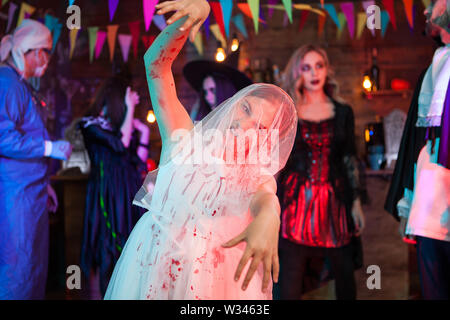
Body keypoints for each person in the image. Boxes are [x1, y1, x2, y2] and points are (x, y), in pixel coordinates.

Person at [105, 0, 297, 300]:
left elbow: (265, 197)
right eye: (245, 108)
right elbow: (156, 65)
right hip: (157, 273)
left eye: (260, 128)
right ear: (233, 103)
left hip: (218, 283)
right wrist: (190, 20)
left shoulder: (253, 174)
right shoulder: (184, 137)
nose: (244, 125)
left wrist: (270, 216)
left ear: (265, 141)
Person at [276, 45, 365, 300]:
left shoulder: (343, 111)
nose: (314, 73)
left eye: (319, 65)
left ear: (327, 70)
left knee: (345, 279)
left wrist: (356, 202)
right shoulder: (287, 110)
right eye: (306, 67)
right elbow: (277, 159)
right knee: (289, 282)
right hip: (295, 204)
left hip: (334, 202)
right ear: (297, 73)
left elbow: (348, 157)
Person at [0, 19, 72, 299]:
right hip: (16, 197)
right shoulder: (6, 83)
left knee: (32, 268)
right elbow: (3, 137)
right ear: (31, 52)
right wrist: (47, 148)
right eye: (45, 51)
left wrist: (45, 185)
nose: (46, 60)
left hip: (29, 192)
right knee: (19, 269)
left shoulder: (19, 84)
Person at [385, 0, 450, 300]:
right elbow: (419, 139)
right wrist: (408, 202)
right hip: (430, 200)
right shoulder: (435, 66)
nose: (424, 11)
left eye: (432, 3)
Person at [79, 75, 150, 298]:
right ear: (117, 99)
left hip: (126, 193)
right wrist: (129, 110)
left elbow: (137, 161)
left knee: (129, 248)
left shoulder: (123, 125)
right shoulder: (90, 124)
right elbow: (120, 145)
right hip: (106, 194)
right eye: (130, 96)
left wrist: (145, 133)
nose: (135, 99)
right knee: (104, 249)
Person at [183, 60, 252, 121]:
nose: (207, 97)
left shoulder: (243, 121)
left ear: (225, 90)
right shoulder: (202, 117)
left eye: (212, 90)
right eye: (205, 92)